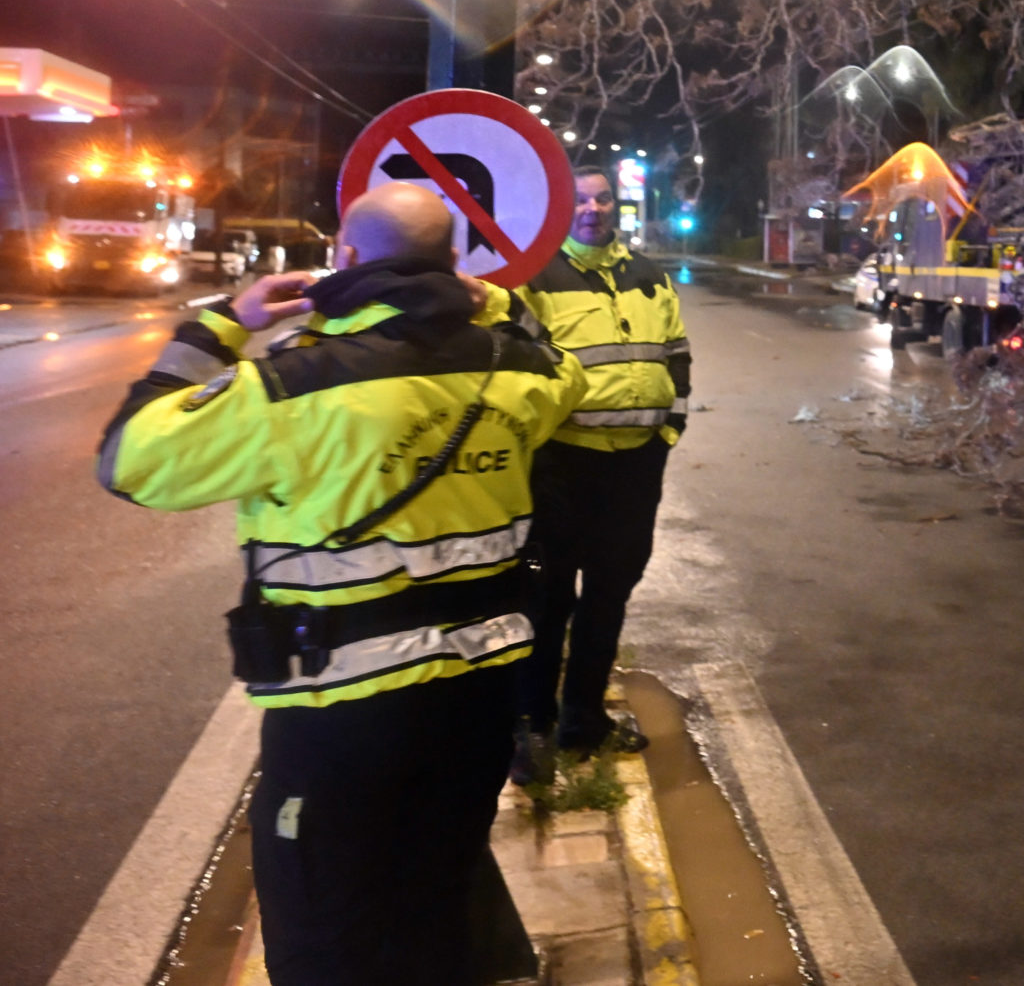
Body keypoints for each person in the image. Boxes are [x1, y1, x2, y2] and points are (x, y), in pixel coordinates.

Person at [97, 182, 585, 986]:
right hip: (475, 702)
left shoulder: (292, 385)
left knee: (326, 927)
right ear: (453, 261)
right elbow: (568, 370)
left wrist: (220, 324)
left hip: (341, 715)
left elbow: (126, 459)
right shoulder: (518, 372)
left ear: (345, 257)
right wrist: (495, 300)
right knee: (438, 898)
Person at [512, 166, 691, 776]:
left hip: (636, 465)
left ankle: (583, 721)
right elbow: (520, 364)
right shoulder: (536, 277)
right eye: (581, 200)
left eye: (603, 198)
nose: (593, 208)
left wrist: (668, 429)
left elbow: (677, 352)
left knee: (609, 595)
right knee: (548, 598)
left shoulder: (649, 274)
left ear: (617, 204)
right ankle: (533, 728)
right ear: (563, 209)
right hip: (561, 464)